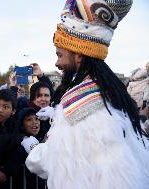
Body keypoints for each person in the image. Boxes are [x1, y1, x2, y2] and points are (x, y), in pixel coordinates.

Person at [25, 0, 149, 189]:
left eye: (59, 55)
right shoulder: (109, 94)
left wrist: (32, 149)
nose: (57, 63)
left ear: (79, 55)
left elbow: (56, 159)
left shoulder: (80, 105)